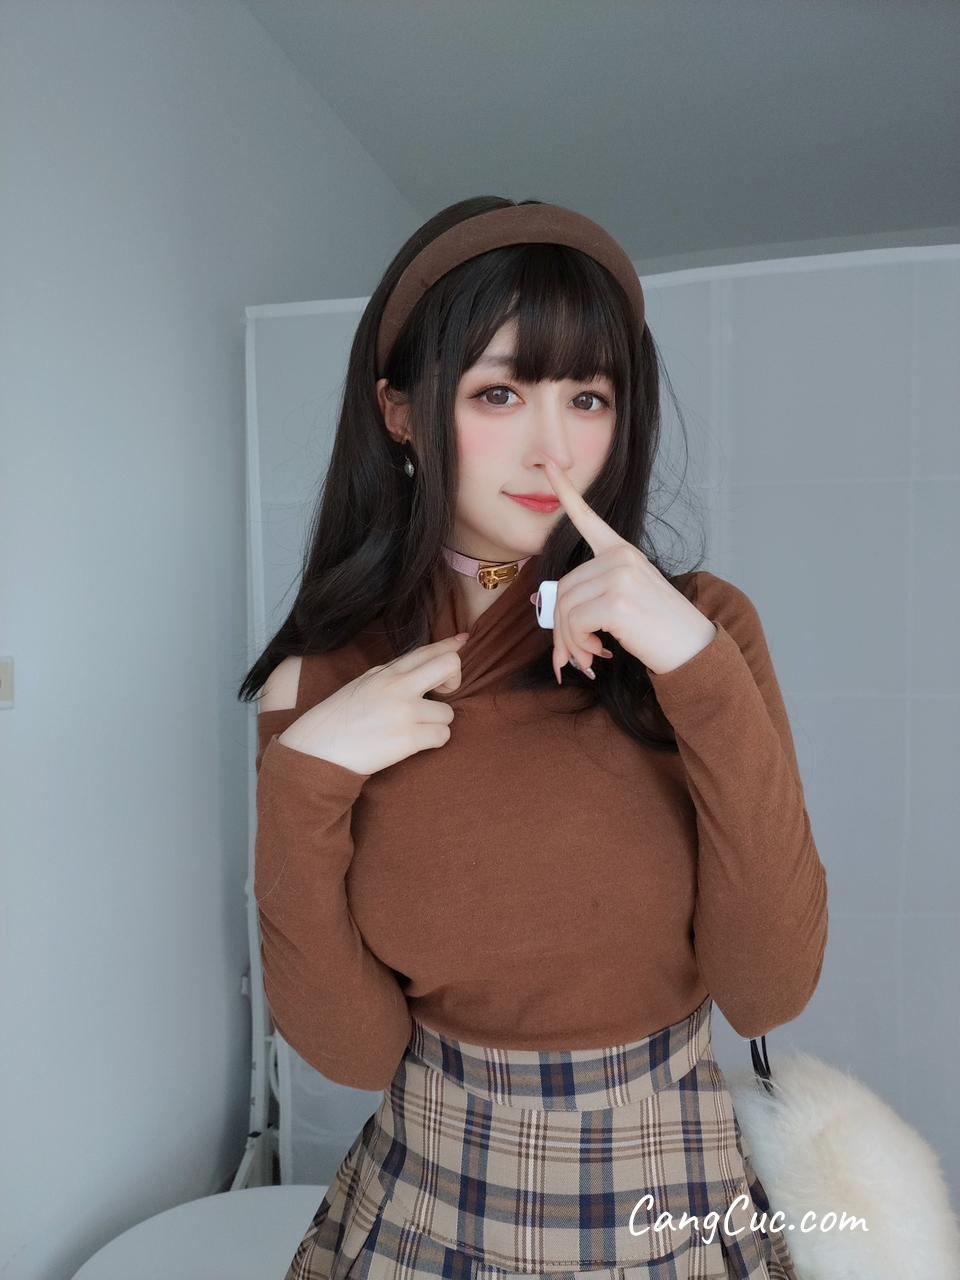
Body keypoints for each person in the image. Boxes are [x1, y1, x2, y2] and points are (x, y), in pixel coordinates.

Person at [239, 196, 827, 1280]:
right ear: (401, 412)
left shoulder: (704, 627)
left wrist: (696, 666)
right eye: (500, 392)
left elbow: (768, 989)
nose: (553, 446)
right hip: (429, 1207)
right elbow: (351, 1053)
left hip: (674, 1193)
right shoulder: (320, 687)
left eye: (587, 396)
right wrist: (300, 779)